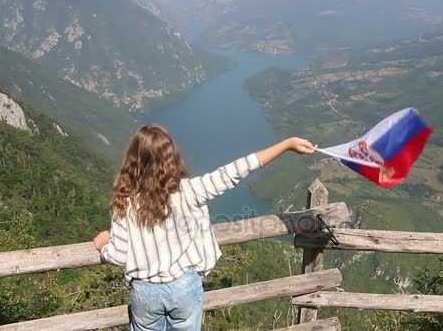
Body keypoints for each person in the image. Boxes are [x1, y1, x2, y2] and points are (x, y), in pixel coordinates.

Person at [93, 125, 316, 331]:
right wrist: (286, 145)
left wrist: (102, 245)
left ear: (133, 161)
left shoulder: (124, 201)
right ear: (171, 158)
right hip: (184, 288)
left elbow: (119, 255)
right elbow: (236, 170)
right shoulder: (191, 191)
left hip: (145, 293)